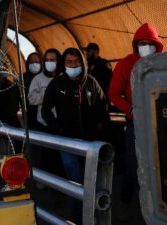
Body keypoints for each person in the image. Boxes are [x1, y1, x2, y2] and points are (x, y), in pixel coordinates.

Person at [42, 47, 108, 224]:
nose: (73, 65)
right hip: (68, 142)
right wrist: (59, 129)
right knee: (75, 181)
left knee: (91, 180)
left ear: (83, 63)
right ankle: (76, 218)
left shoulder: (91, 82)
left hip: (90, 144)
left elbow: (103, 105)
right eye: (69, 62)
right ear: (64, 64)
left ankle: (92, 216)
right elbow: (45, 111)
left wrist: (99, 129)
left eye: (76, 62)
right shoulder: (57, 84)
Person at [108, 23, 163, 221]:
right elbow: (114, 93)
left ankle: (159, 210)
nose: (146, 47)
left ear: (157, 45)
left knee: (160, 166)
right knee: (133, 166)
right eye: (142, 43)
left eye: (150, 43)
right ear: (135, 45)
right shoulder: (126, 63)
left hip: (161, 124)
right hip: (136, 124)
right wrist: (131, 110)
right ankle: (124, 202)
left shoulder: (163, 62)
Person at [28, 48, 61, 131]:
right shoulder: (38, 78)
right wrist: (47, 95)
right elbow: (31, 99)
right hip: (43, 124)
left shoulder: (64, 77)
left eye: (52, 60)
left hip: (62, 123)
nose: (49, 62)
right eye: (46, 60)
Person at [23, 52, 43, 129]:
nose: (34, 64)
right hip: (28, 117)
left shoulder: (45, 77)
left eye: (37, 62)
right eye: (31, 62)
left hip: (43, 118)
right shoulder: (23, 78)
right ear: (27, 64)